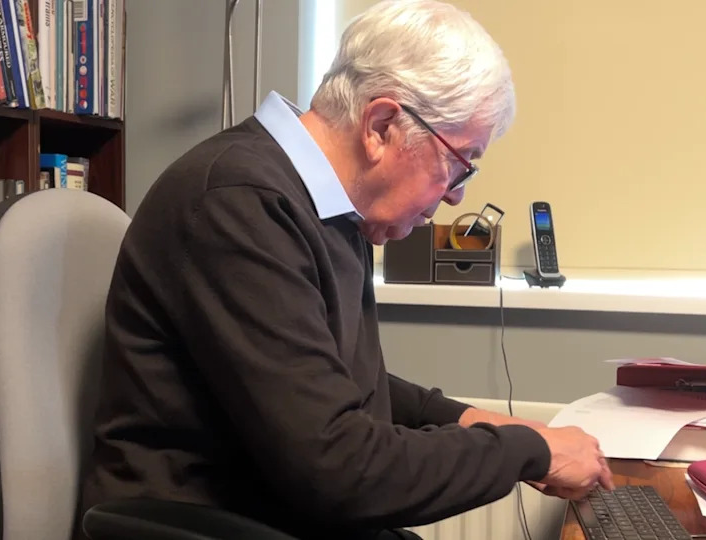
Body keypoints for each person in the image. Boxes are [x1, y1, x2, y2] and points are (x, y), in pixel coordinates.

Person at [77, 1, 613, 539]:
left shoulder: (328, 208)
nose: (456, 196)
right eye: (458, 163)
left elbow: (321, 379)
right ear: (381, 125)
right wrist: (529, 452)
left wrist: (468, 418)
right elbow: (340, 471)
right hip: (207, 526)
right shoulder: (237, 203)